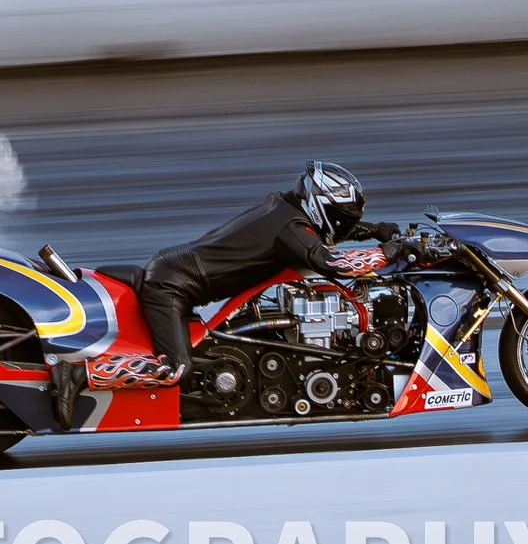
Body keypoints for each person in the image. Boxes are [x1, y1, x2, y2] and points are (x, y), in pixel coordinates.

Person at [127, 162, 397, 385]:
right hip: (172, 285)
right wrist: (386, 253)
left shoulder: (286, 211)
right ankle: (87, 375)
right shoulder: (289, 228)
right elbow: (331, 262)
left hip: (177, 273)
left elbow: (317, 239)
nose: (346, 225)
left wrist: (374, 231)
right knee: (177, 368)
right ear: (321, 205)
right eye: (343, 218)